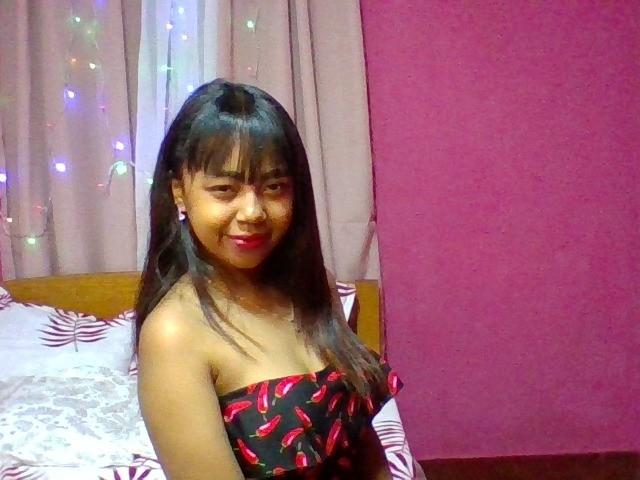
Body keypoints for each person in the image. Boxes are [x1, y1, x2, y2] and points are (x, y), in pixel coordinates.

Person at [134, 78, 403, 479]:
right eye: (224, 189)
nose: (253, 212)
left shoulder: (317, 289)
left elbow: (360, 440)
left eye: (274, 187)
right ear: (179, 192)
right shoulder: (175, 333)